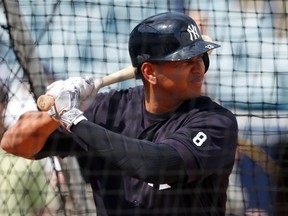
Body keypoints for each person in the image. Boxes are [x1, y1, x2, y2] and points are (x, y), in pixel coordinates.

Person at [0, 12, 238, 216]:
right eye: (185, 61)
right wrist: (57, 111)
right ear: (149, 72)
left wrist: (74, 120)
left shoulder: (215, 121)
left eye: (200, 58)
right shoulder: (108, 109)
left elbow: (158, 165)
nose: (199, 67)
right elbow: (14, 143)